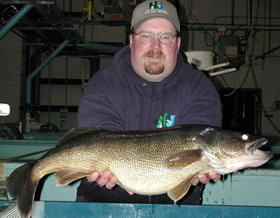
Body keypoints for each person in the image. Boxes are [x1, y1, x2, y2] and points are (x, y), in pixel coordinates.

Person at [76, 0, 222, 204]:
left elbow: (200, 144)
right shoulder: (102, 85)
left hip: (175, 203)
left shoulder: (200, 88)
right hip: (104, 198)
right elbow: (99, 140)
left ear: (178, 43)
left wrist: (201, 166)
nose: (156, 46)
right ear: (132, 40)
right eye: (146, 36)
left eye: (165, 36)